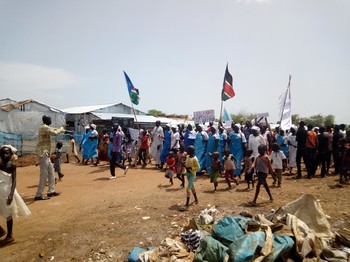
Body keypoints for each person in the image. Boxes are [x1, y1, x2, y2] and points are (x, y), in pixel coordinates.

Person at [0, 145, 31, 245]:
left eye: (6, 153)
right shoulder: (0, 165)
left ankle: (10, 235)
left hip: (7, 193)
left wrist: (11, 195)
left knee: (9, 213)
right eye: (2, 153)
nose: (4, 155)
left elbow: (14, 181)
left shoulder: (11, 165)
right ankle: (1, 231)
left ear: (11, 154)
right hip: (0, 192)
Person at [35, 115, 65, 200]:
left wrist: (59, 129)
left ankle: (51, 191)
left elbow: (53, 129)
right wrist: (61, 129)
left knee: (51, 172)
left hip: (46, 154)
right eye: (49, 119)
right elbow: (54, 132)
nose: (51, 120)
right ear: (45, 120)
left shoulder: (46, 127)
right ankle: (38, 194)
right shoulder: (44, 127)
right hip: (43, 153)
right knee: (44, 174)